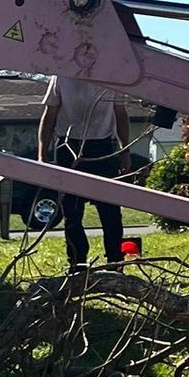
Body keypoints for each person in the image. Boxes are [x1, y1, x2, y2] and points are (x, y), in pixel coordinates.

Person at [38, 73, 130, 268]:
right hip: (68, 147)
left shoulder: (112, 76)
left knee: (111, 211)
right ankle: (77, 263)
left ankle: (115, 262)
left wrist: (125, 150)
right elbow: (49, 116)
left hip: (102, 148)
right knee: (71, 212)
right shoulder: (61, 76)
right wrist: (42, 154)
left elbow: (120, 114)